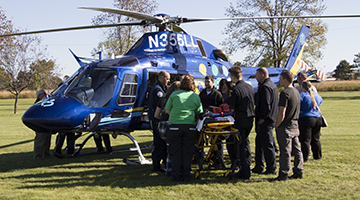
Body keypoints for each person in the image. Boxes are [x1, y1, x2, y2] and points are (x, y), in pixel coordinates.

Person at [165, 75, 203, 182]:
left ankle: (176, 175)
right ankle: (186, 175)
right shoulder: (195, 96)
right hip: (189, 127)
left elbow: (167, 110)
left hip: (174, 127)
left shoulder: (174, 94)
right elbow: (200, 112)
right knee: (187, 152)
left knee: (175, 152)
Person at [274, 70, 303, 181]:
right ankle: (298, 170)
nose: (279, 81)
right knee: (297, 150)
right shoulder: (296, 92)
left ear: (285, 80)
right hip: (295, 125)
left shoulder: (285, 93)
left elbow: (282, 112)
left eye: (281, 79)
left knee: (285, 151)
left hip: (285, 126)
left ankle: (284, 173)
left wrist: (277, 125)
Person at [226, 66, 255, 180]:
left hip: (241, 119)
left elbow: (232, 108)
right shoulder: (249, 87)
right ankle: (246, 166)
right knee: (246, 144)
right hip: (250, 119)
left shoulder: (235, 89)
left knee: (241, 147)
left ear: (233, 76)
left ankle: (245, 172)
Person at [252, 67, 278, 175]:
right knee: (260, 143)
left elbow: (266, 105)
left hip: (265, 120)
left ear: (262, 75)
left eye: (257, 75)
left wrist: (262, 118)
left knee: (267, 145)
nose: (255, 77)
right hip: (270, 119)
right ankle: (259, 166)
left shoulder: (265, 87)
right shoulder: (273, 86)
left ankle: (271, 168)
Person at [154, 81, 181, 177]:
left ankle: (164, 166)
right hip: (171, 125)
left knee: (167, 147)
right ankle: (170, 170)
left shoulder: (162, 99)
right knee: (173, 149)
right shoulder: (175, 99)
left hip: (161, 126)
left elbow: (156, 115)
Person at [199, 75, 224, 167]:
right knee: (200, 139)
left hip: (215, 120)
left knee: (217, 139)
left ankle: (217, 160)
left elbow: (221, 107)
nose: (206, 84)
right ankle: (200, 157)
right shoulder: (202, 94)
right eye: (205, 82)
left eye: (208, 82)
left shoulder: (218, 94)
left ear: (213, 82)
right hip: (203, 120)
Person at [148, 71, 171, 172]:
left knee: (162, 143)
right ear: (161, 77)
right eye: (167, 79)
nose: (168, 81)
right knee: (159, 143)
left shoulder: (162, 87)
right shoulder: (158, 89)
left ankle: (163, 163)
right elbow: (161, 102)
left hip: (159, 119)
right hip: (156, 119)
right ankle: (156, 166)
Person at [299, 80, 323, 162]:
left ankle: (304, 157)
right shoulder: (316, 95)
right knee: (315, 139)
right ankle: (317, 155)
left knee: (305, 139)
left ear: (302, 87)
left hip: (306, 118)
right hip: (317, 118)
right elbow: (320, 102)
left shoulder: (302, 95)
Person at [33, 89, 52, 160]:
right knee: (40, 140)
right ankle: (37, 155)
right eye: (44, 94)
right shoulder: (38, 102)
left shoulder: (45, 101)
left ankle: (46, 154)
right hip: (40, 125)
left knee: (47, 140)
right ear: (40, 95)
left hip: (46, 124)